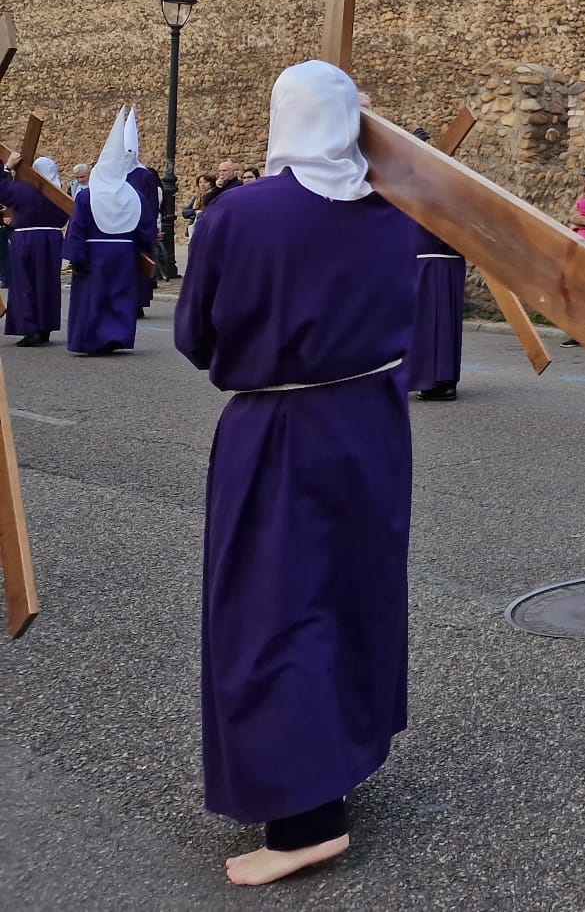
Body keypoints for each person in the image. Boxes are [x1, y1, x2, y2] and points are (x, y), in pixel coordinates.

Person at [174, 60, 418, 886]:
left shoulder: (241, 213)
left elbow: (197, 336)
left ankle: (304, 818)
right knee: (353, 589)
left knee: (274, 606)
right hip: (374, 425)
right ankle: (344, 752)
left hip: (280, 426)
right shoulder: (394, 213)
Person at [63, 109, 145, 357]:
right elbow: (145, 228)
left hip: (95, 252)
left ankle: (93, 340)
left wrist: (76, 258)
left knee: (93, 297)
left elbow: (77, 228)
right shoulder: (134, 195)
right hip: (124, 252)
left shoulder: (88, 196)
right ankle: (116, 336)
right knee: (118, 296)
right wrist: (142, 252)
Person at [408, 133, 466, 403]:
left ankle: (439, 380)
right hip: (427, 261)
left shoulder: (442, 193)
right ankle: (435, 380)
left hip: (439, 261)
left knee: (438, 322)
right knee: (430, 323)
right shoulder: (418, 188)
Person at [0, 154, 70, 345]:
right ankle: (45, 328)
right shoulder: (59, 193)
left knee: (26, 284)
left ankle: (30, 329)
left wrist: (7, 168)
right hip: (53, 239)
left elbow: (2, 190)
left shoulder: (27, 191)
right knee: (47, 285)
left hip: (27, 239)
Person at [125, 111, 160, 317]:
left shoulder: (144, 176)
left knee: (140, 265)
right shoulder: (117, 174)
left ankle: (138, 302)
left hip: (140, 227)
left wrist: (148, 226)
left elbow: (150, 203)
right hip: (121, 227)